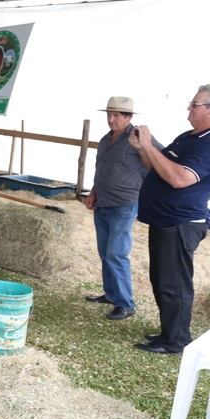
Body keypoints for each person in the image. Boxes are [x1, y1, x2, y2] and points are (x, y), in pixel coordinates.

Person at [130, 85, 210, 355]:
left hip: (181, 223)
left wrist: (150, 143)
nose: (189, 107)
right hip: (166, 221)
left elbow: (179, 179)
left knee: (174, 283)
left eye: (195, 104)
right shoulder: (189, 136)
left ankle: (175, 341)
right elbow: (158, 167)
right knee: (163, 279)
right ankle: (169, 332)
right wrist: (144, 148)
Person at [84, 97, 162, 321]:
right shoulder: (105, 139)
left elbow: (161, 158)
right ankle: (111, 294)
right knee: (104, 252)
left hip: (125, 203)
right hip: (102, 202)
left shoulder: (138, 137)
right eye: (109, 114)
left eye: (117, 115)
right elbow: (102, 169)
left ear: (129, 117)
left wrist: (146, 188)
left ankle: (126, 303)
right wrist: (93, 192)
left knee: (116, 254)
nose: (111, 119)